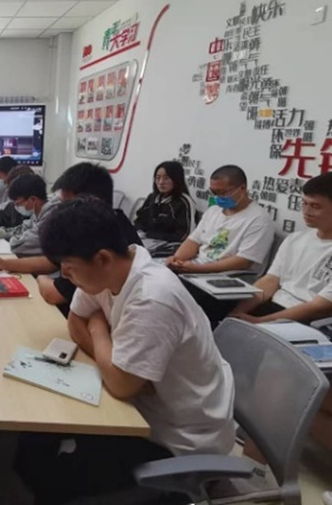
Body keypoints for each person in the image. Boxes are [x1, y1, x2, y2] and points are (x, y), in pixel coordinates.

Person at [15, 198, 234, 504]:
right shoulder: (109, 272)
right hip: (142, 408)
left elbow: (121, 384)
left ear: (102, 258)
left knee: (50, 477)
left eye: (69, 269)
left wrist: (98, 330)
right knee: (31, 446)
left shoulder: (152, 297)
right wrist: (110, 360)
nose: (64, 277)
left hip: (177, 438)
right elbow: (75, 321)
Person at [166, 164, 274, 326]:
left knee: (175, 296)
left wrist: (197, 269)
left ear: (242, 188)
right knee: (159, 280)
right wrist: (176, 259)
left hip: (227, 279)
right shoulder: (213, 211)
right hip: (196, 271)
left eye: (224, 192)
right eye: (214, 193)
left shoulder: (258, 220)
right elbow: (194, 240)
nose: (219, 197)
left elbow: (243, 262)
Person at [37, 162, 143, 315]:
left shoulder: (96, 241)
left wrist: (40, 278)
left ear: (90, 202)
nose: (60, 211)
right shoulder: (112, 221)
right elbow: (81, 315)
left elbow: (54, 294)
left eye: (68, 204)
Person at [231, 172, 332, 324]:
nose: (306, 212)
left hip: (305, 321)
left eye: (315, 206)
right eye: (304, 203)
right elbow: (271, 280)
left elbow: (318, 307)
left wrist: (259, 321)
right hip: (274, 306)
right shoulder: (295, 239)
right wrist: (238, 312)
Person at [0, 173, 58, 257]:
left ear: (32, 199)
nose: (16, 207)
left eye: (18, 204)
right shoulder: (39, 211)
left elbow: (20, 245)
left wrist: (12, 238)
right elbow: (23, 229)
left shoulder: (52, 216)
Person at [134, 161, 194, 253]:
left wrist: (152, 235)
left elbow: (184, 235)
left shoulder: (184, 202)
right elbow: (139, 220)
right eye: (158, 178)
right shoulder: (152, 197)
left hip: (170, 248)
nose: (161, 182)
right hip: (148, 242)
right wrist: (140, 231)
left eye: (166, 178)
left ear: (176, 179)